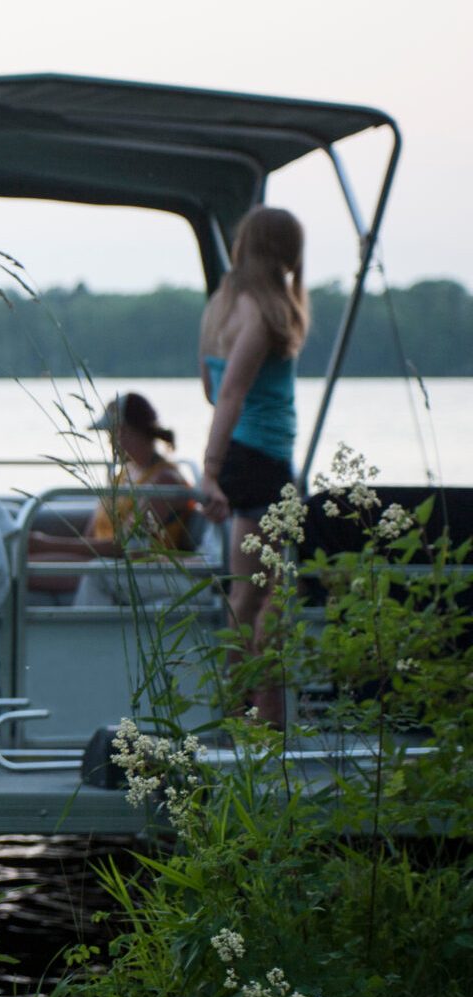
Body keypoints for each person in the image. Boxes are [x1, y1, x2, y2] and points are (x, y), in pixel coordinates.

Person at [196, 206, 309, 723]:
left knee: (253, 592)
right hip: (260, 457)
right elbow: (232, 395)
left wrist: (219, 466)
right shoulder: (264, 313)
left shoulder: (222, 303)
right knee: (260, 595)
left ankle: (245, 700)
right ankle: (245, 704)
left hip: (249, 456)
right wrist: (210, 470)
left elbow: (209, 384)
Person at [26, 393, 193, 593]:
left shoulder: (164, 481)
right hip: (102, 562)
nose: (110, 442)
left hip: (131, 571)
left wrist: (46, 544)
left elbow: (124, 548)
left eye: (112, 433)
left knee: (27, 570)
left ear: (131, 432)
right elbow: (92, 536)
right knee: (19, 565)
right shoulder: (123, 474)